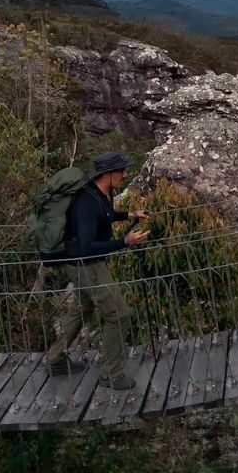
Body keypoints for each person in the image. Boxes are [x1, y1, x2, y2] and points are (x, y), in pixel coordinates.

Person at [45, 152, 150, 390]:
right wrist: (125, 241)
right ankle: (111, 375)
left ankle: (55, 359)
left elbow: (106, 216)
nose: (124, 175)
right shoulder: (86, 202)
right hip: (86, 265)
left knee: (82, 307)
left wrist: (131, 215)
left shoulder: (102, 194)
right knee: (119, 315)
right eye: (120, 171)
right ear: (107, 174)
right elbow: (87, 245)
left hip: (82, 264)